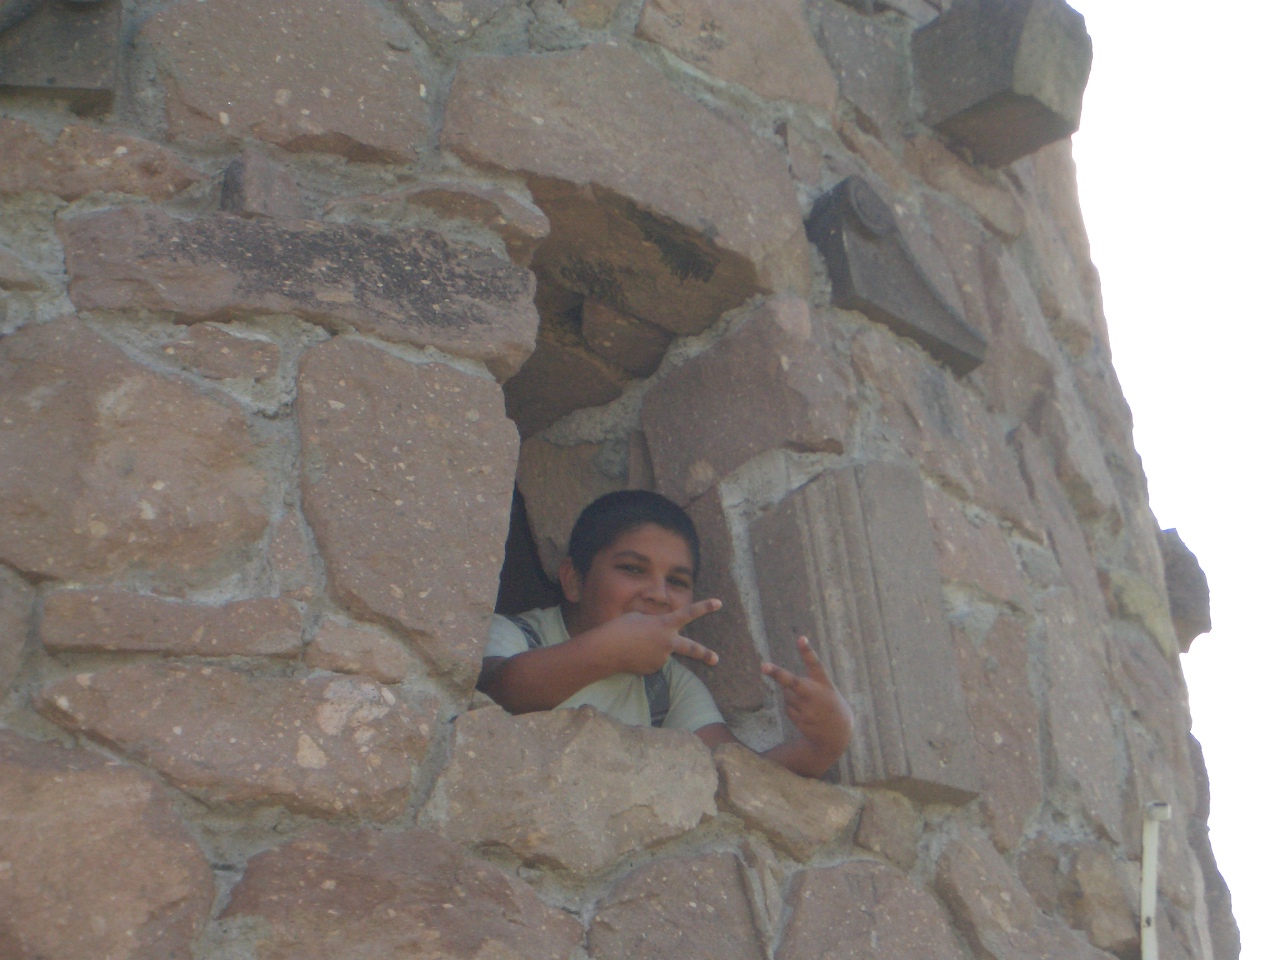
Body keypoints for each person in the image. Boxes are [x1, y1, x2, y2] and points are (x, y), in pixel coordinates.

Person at [479, 490, 854, 779]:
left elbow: (736, 774)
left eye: (677, 581)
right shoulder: (518, 633)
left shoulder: (668, 686)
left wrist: (824, 745)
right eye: (632, 569)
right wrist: (609, 652)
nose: (658, 595)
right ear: (574, 580)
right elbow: (500, 690)